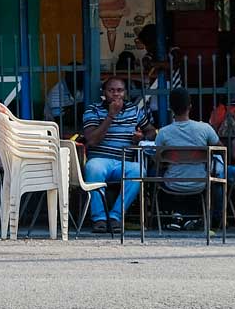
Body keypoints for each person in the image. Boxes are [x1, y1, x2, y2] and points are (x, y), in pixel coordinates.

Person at [81, 75, 156, 233]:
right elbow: (92, 140)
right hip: (100, 160)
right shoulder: (93, 109)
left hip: (123, 162)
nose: (116, 94)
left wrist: (142, 137)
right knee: (92, 168)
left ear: (125, 93)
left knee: (138, 170)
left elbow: (151, 131)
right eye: (111, 90)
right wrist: (110, 116)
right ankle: (99, 219)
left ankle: (115, 216)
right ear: (104, 92)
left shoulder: (134, 110)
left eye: (120, 91)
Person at [153, 88, 223, 230]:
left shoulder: (163, 133)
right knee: (219, 175)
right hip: (201, 183)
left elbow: (157, 159)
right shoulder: (205, 129)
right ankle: (215, 218)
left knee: (151, 172)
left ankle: (161, 215)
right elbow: (221, 149)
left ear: (170, 108)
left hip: (172, 183)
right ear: (190, 106)